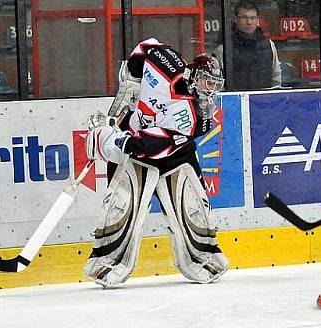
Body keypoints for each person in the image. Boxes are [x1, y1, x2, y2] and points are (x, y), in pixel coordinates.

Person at [83, 38, 229, 288]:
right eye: (207, 81)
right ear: (194, 74)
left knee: (193, 208)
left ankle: (203, 257)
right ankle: (106, 262)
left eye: (215, 85)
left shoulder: (199, 115)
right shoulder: (167, 61)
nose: (210, 90)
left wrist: (110, 141)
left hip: (172, 156)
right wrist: (132, 80)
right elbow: (145, 48)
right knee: (121, 206)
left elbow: (150, 147)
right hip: (135, 138)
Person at [213, 1, 282, 90]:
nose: (249, 22)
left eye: (252, 18)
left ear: (257, 20)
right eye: (244, 17)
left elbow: (276, 78)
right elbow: (217, 84)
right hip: (235, 102)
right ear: (236, 19)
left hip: (264, 101)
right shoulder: (224, 49)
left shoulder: (269, 45)